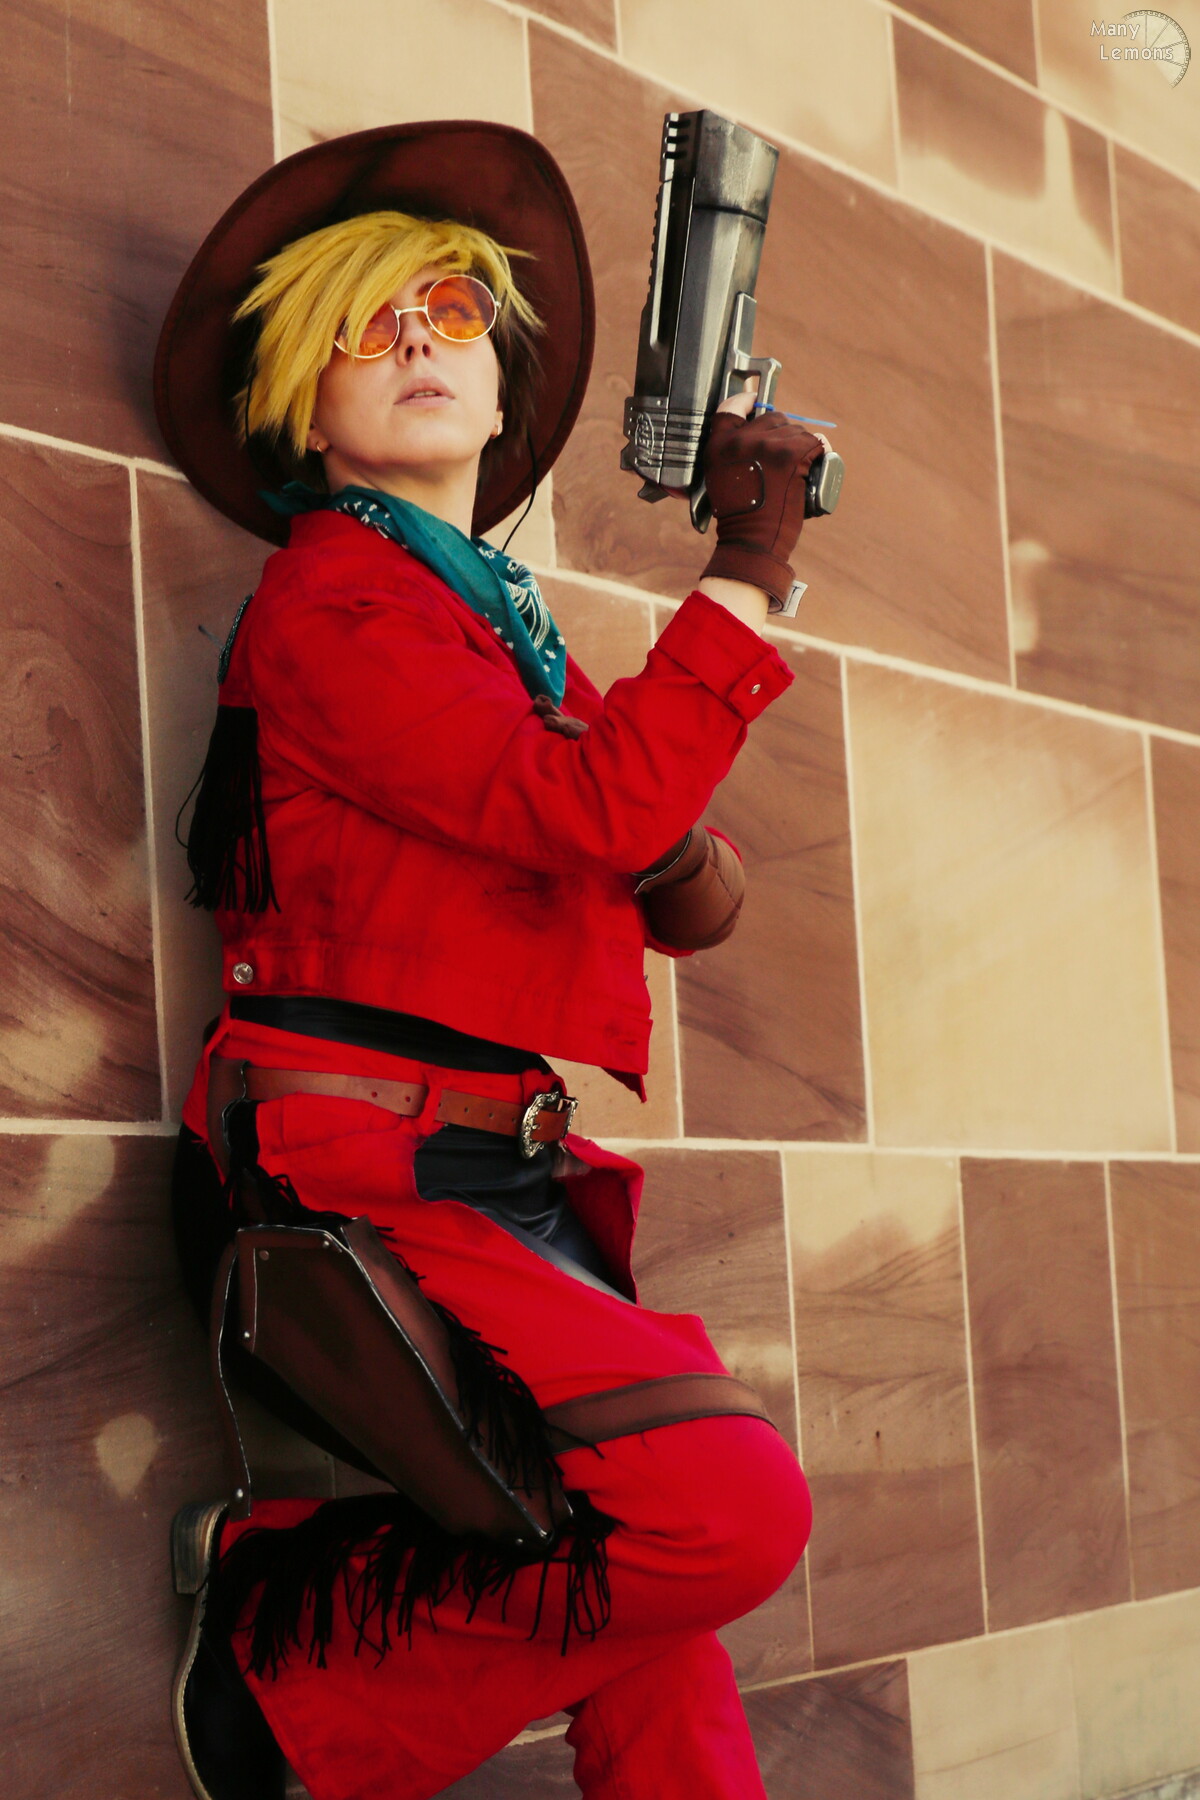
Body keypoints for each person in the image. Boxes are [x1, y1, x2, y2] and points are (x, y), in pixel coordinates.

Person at [156, 120, 825, 1800]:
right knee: (723, 1512)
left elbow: (696, 897)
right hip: (361, 1162)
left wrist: (639, 804)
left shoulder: (492, 626)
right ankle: (292, 1668)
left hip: (489, 1163)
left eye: (450, 311)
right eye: (363, 325)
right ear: (304, 407)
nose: (417, 342)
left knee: (654, 1604)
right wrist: (745, 577)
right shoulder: (334, 605)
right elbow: (600, 811)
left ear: (501, 372)